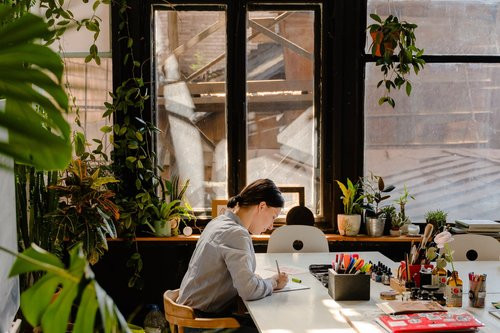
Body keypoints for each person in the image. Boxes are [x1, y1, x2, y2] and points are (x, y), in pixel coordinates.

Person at [177, 178, 288, 328]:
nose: (271, 226)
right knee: (273, 325)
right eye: (273, 217)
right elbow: (249, 290)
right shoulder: (236, 234)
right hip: (202, 323)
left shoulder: (219, 222)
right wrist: (274, 282)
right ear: (262, 206)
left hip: (190, 315)